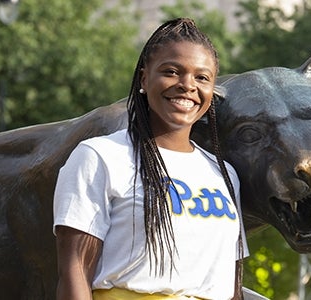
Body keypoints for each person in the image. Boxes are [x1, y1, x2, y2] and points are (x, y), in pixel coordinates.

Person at [53, 18, 246, 300]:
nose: (187, 85)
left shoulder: (224, 174)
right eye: (171, 71)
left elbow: (231, 285)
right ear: (144, 78)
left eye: (202, 77)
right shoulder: (100, 157)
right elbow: (75, 271)